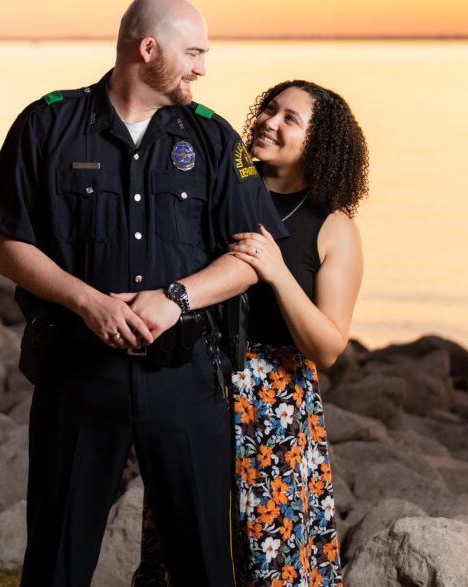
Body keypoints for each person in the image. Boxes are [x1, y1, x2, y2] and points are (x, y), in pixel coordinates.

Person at [0, 0, 286, 586]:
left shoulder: (216, 139)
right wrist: (85, 300)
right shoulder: (47, 122)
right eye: (193, 52)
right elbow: (8, 246)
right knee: (57, 563)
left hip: (187, 378)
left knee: (206, 568)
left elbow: (253, 257)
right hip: (78, 375)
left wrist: (177, 298)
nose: (201, 66)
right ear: (149, 48)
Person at [134, 80, 368, 587]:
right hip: (194, 385)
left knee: (271, 555)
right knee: (178, 547)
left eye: (290, 119)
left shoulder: (333, 228)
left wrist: (278, 272)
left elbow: (327, 348)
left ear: (320, 143)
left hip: (275, 412)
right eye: (269, 108)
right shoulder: (216, 188)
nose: (269, 121)